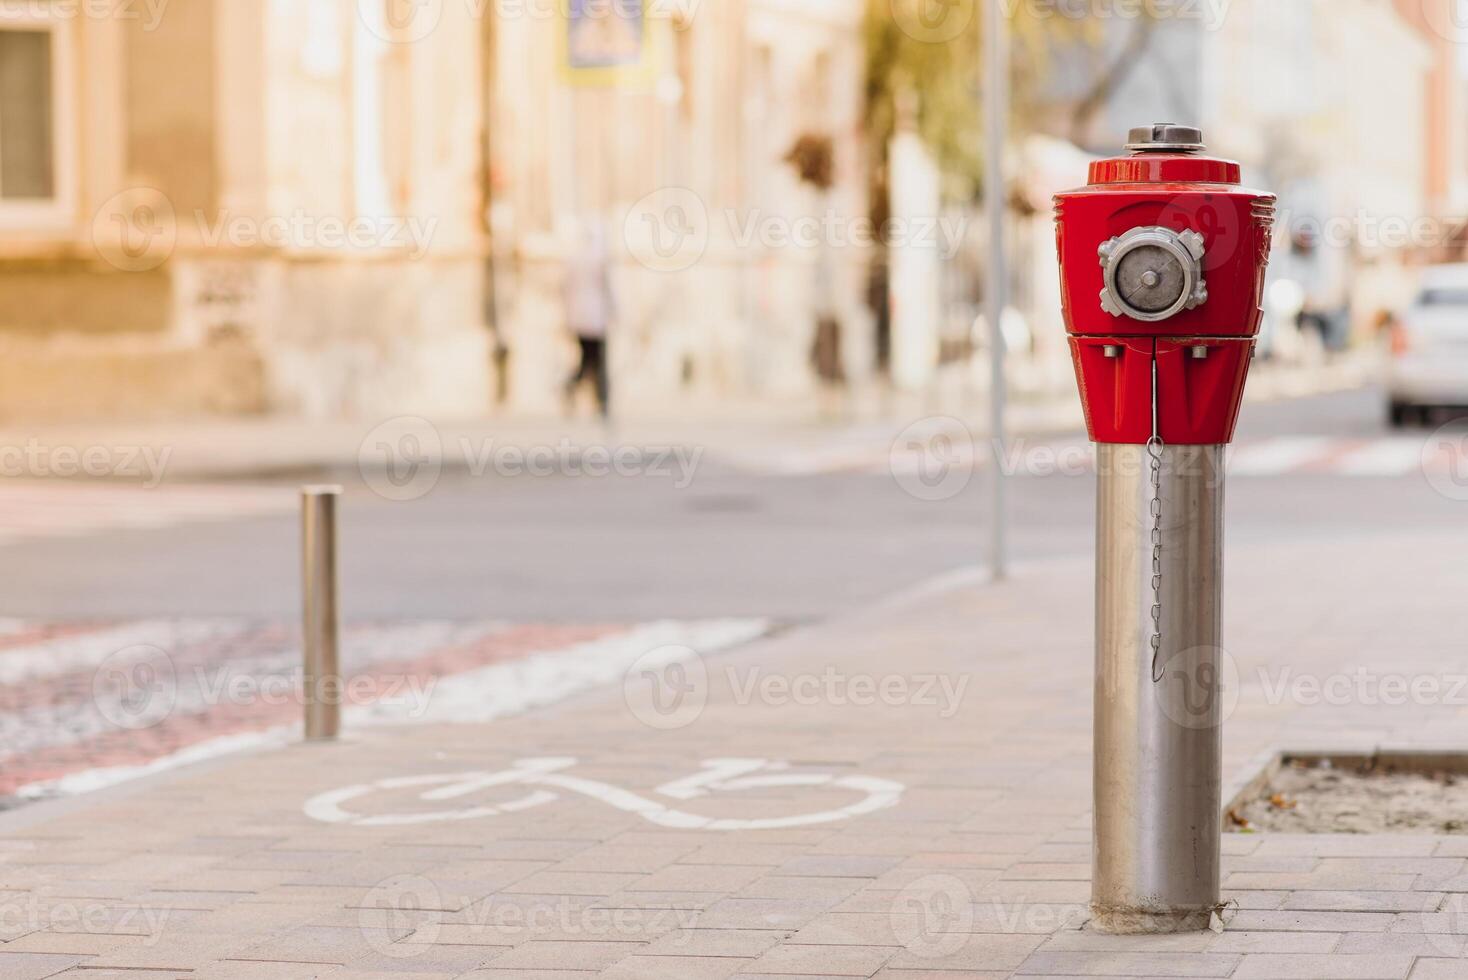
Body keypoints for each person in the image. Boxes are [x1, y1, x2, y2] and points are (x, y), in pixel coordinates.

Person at [563, 221, 615, 418]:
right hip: (596, 318)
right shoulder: (599, 259)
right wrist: (615, 312)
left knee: (587, 359)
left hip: (579, 318)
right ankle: (600, 401)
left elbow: (565, 290)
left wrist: (567, 317)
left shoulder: (573, 260)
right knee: (596, 360)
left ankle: (575, 387)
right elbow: (608, 289)